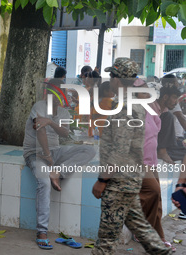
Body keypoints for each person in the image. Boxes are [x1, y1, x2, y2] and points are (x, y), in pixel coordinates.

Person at [91, 57, 172, 255]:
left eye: (111, 75)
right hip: (129, 179)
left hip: (120, 182)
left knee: (106, 240)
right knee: (142, 229)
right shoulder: (132, 103)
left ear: (118, 80)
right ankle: (162, 251)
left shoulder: (124, 107)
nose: (109, 79)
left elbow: (120, 149)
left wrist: (102, 180)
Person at [23, 78, 96, 250]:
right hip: (36, 153)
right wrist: (47, 156)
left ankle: (58, 172)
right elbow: (39, 131)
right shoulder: (39, 107)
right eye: (53, 93)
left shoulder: (63, 112)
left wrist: (50, 122)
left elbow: (64, 133)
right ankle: (42, 231)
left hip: (55, 153)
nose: (57, 97)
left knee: (90, 151)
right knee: (44, 182)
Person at [135, 80, 178, 251]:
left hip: (150, 160)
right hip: (137, 161)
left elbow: (154, 135)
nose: (148, 93)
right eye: (143, 90)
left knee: (157, 199)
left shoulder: (151, 109)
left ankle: (155, 236)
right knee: (153, 192)